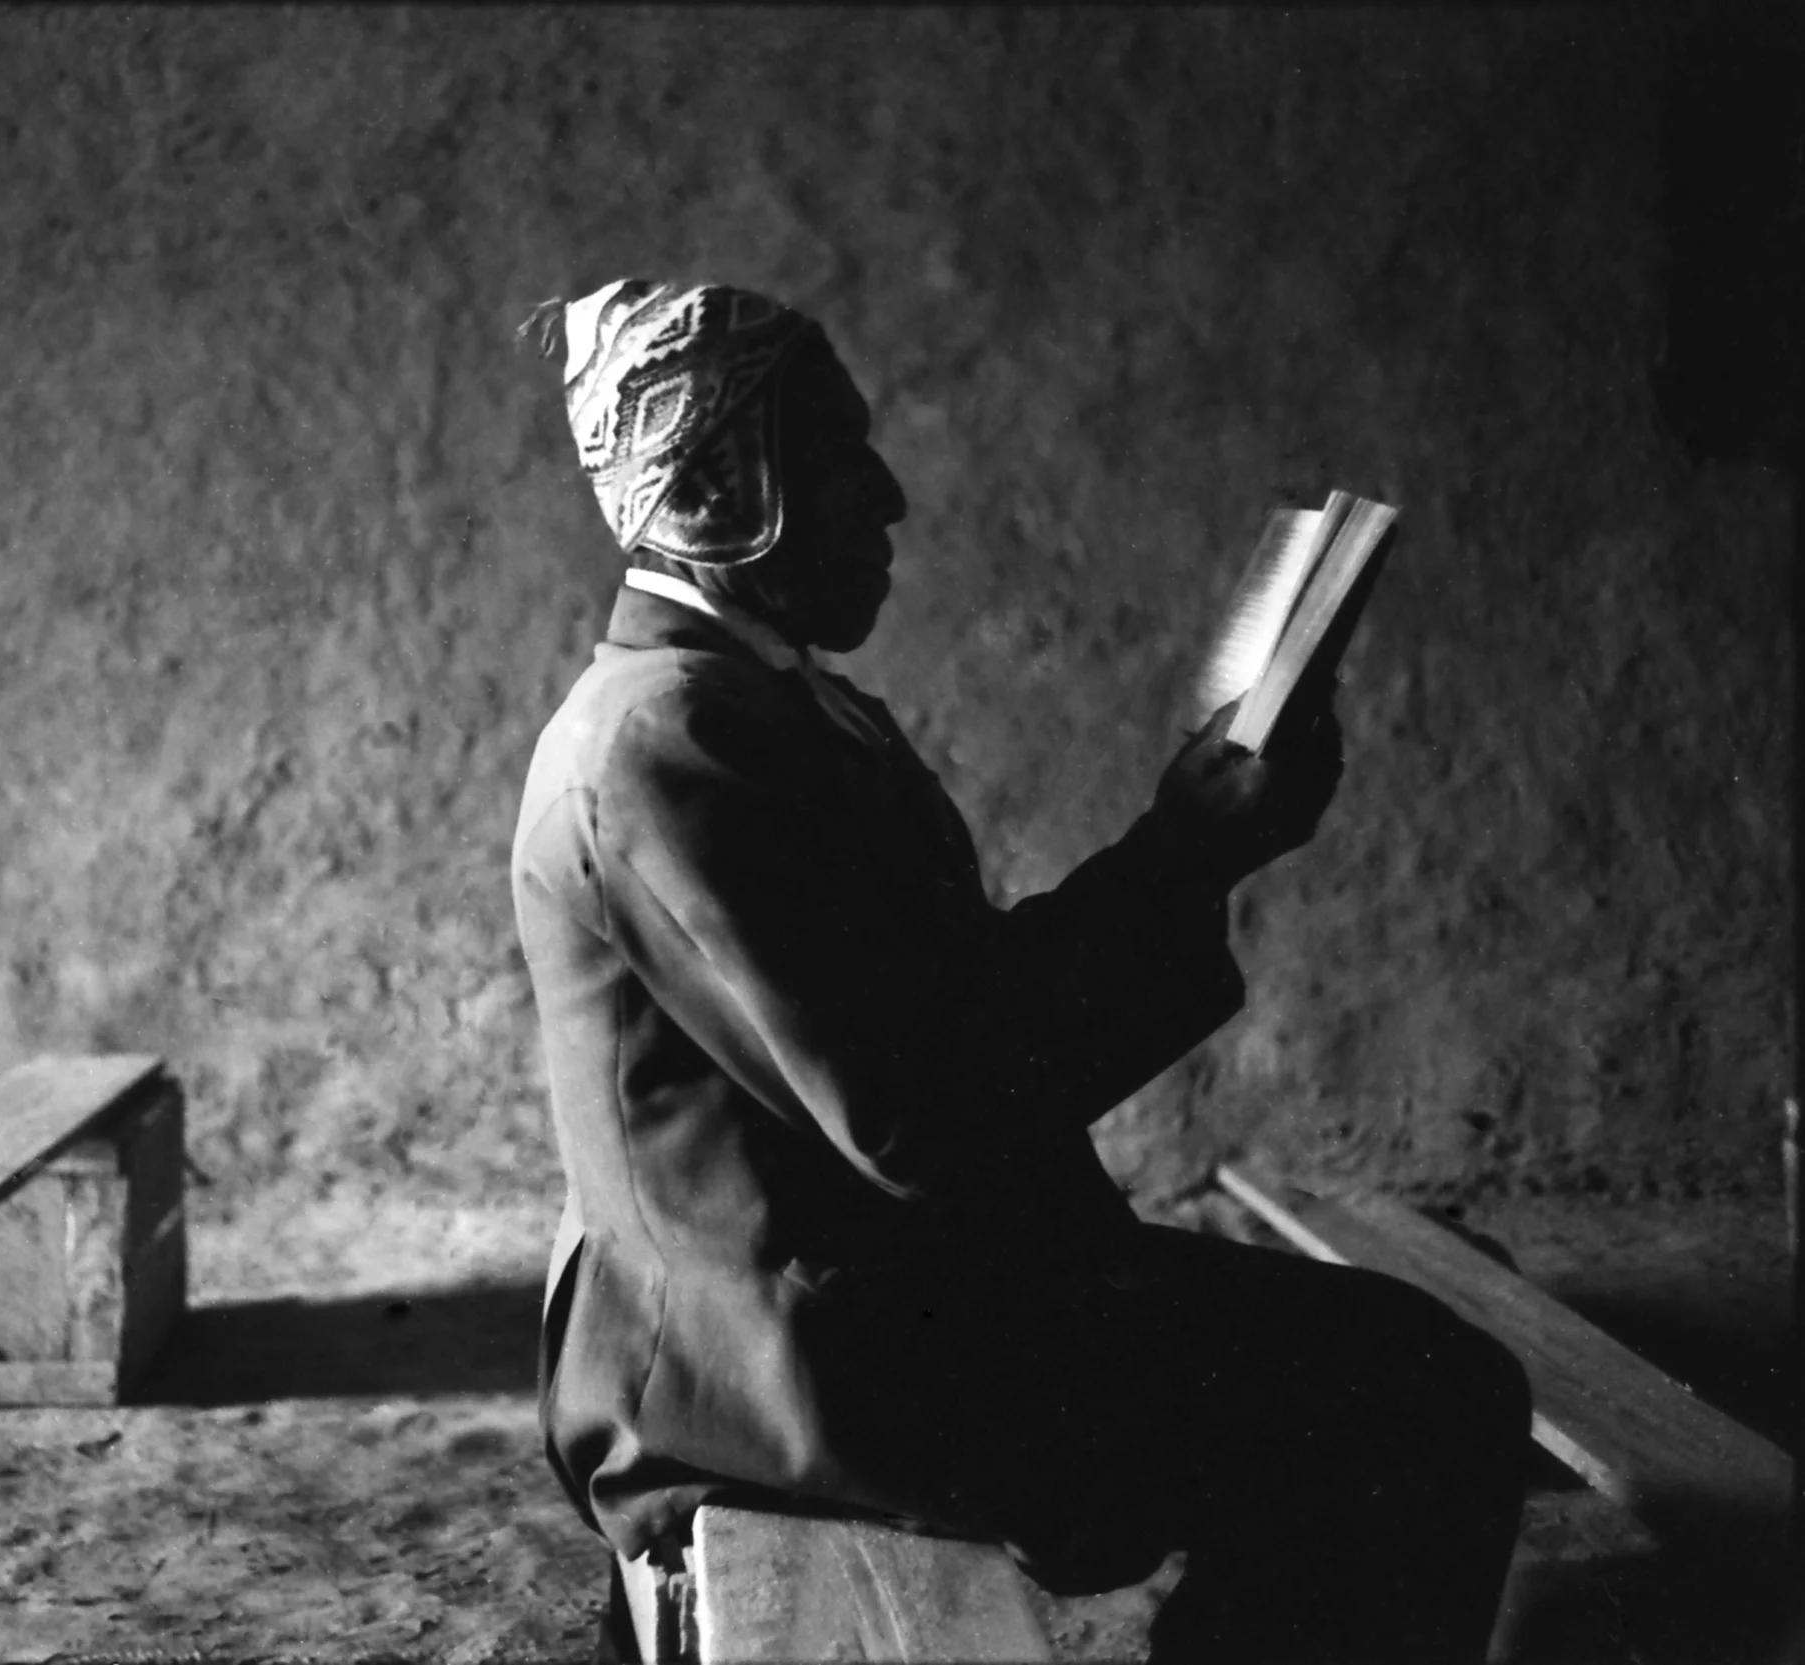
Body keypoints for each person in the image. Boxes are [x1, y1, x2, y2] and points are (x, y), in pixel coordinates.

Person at [509, 278, 1530, 1662]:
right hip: (783, 1372)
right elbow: (921, 1115)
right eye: (835, 455)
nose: (886, 497)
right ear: (720, 492)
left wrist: (1191, 852)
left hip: (841, 1308)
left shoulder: (752, 706)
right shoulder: (671, 744)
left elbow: (943, 1017)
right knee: (1423, 1393)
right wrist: (1179, 858)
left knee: (1386, 1384)